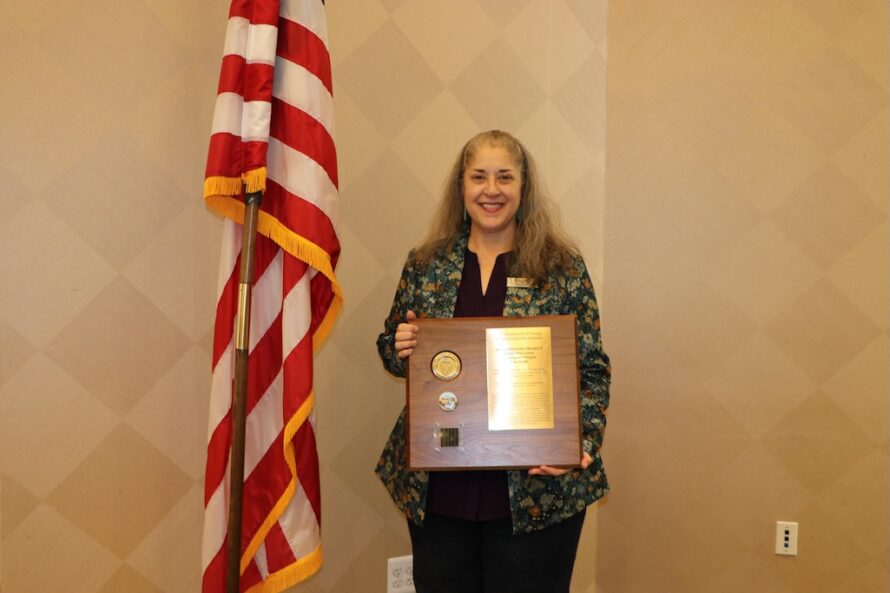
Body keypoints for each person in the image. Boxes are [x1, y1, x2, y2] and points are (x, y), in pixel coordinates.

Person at [375, 130, 610, 593]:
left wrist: (579, 442)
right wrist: (398, 345)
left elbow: (592, 369)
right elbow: (393, 349)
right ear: (461, 187)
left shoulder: (561, 267)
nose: (491, 189)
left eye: (505, 177)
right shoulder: (426, 263)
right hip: (440, 488)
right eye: (479, 176)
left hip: (535, 491)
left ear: (523, 188)